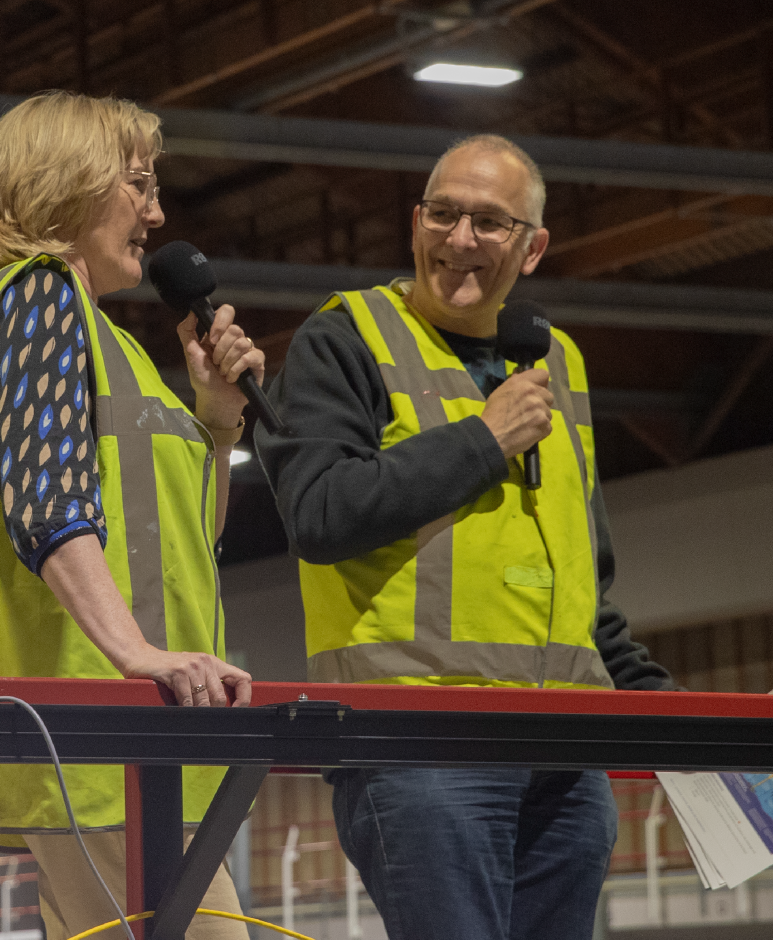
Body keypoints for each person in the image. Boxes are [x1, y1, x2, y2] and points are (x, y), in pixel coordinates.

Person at [255, 134, 677, 940]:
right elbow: (321, 513)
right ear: (415, 220)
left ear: (534, 246)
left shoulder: (562, 364)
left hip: (565, 760)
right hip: (423, 748)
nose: (457, 241)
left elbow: (586, 597)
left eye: (488, 222)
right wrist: (484, 441)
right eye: (441, 213)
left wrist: (686, 719)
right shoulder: (347, 338)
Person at [0, 89, 264, 940]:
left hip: (130, 742)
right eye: (138, 183)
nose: (155, 212)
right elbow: (47, 504)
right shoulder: (39, 298)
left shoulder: (113, 348)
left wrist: (217, 426)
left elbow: (193, 542)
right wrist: (135, 653)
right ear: (64, 182)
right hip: (90, 734)